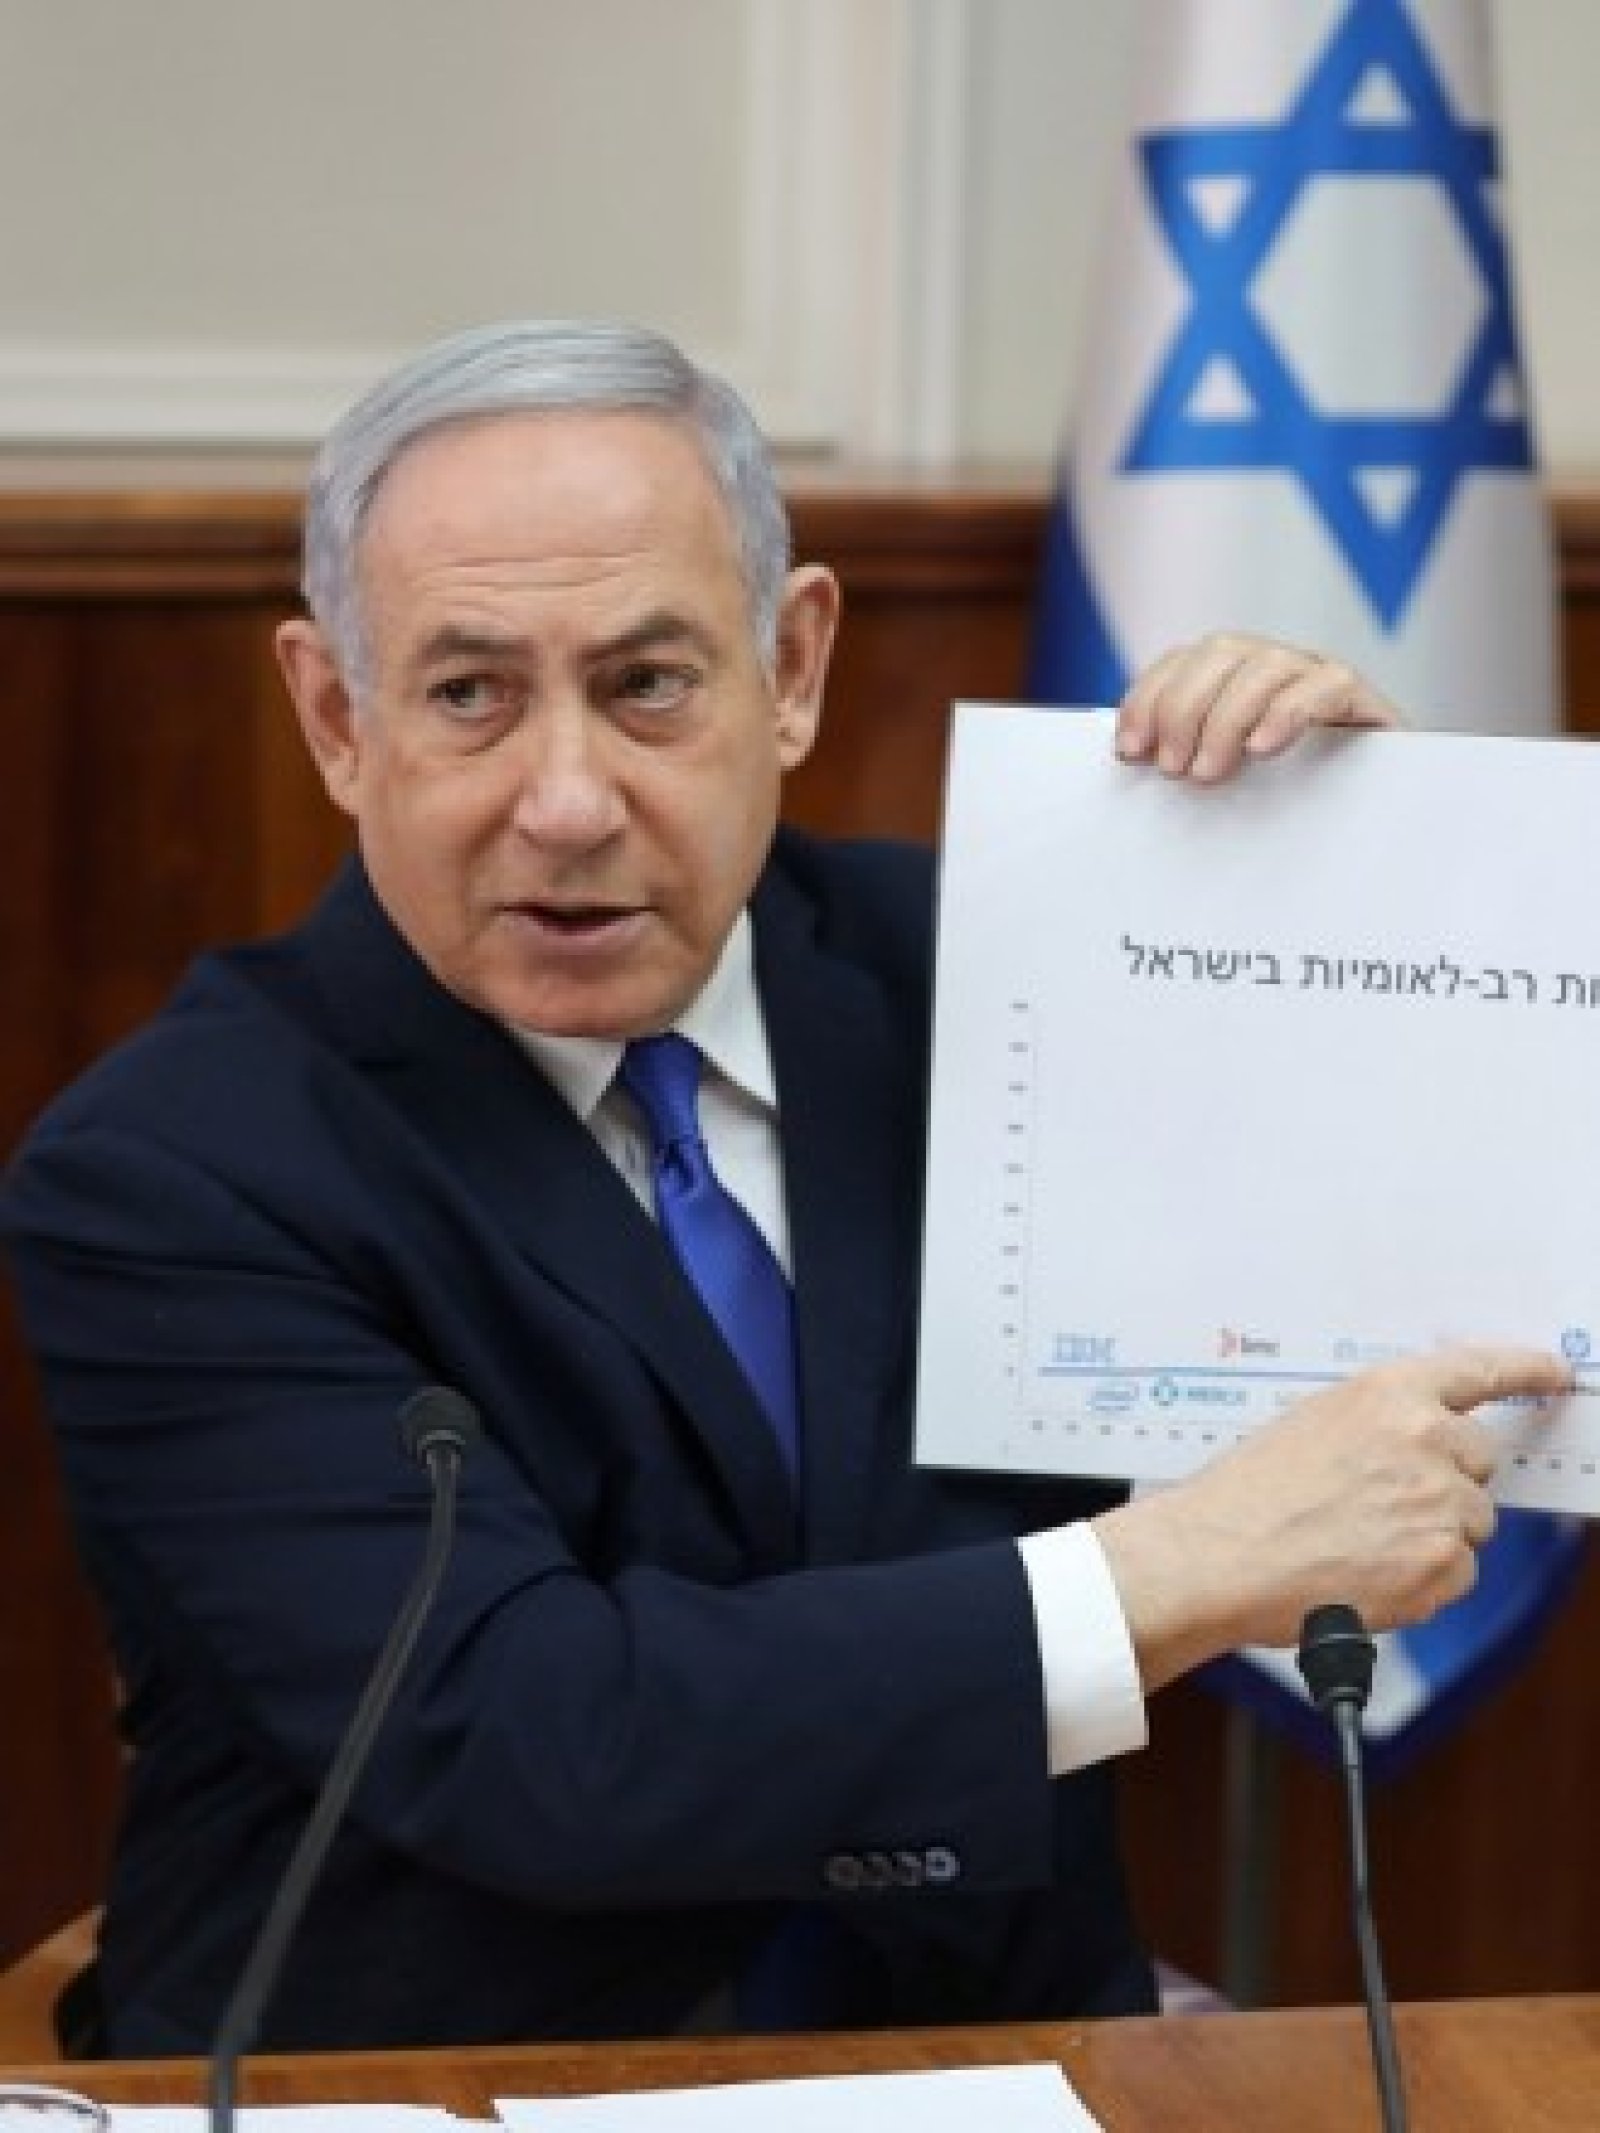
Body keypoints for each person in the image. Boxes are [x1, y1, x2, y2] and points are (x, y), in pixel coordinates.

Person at [2, 319, 1567, 2057]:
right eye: (470, 695)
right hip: (443, 2080)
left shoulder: (1011, 983)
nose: (568, 799)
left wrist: (1369, 878)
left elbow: (1410, 1341)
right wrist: (1171, 1571)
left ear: (794, 667)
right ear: (336, 717)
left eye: (648, 682)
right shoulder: (176, 1171)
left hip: (998, 2056)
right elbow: (533, 1735)